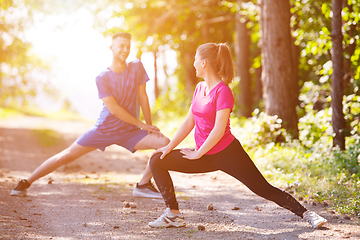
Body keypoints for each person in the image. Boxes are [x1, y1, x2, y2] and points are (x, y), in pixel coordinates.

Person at [147, 42, 327, 229]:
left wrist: (198, 153)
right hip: (203, 154)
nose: (193, 63)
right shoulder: (200, 88)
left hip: (227, 153)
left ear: (204, 63)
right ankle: (173, 214)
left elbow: (218, 130)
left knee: (263, 189)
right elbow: (189, 122)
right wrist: (169, 147)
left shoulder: (223, 91)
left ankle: (307, 214)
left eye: (195, 59)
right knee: (157, 160)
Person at [10, 32, 170, 199]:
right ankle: (26, 182)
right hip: (104, 129)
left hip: (130, 131)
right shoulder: (102, 77)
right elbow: (114, 109)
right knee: (67, 156)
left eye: (128, 46)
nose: (125, 49)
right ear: (111, 47)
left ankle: (143, 185)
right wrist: (143, 124)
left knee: (164, 142)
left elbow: (143, 97)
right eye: (121, 46)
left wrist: (149, 126)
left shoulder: (137, 66)